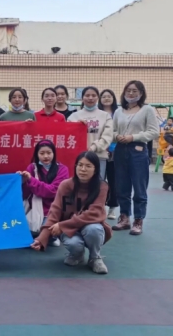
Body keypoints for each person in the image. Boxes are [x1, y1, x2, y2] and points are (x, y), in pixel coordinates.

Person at [30, 151, 112, 275]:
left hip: (88, 225)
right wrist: (42, 239)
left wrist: (62, 225)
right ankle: (77, 255)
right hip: (69, 230)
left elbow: (93, 213)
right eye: (80, 165)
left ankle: (95, 258)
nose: (83, 169)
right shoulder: (66, 185)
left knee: (94, 229)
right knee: (74, 244)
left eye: (88, 166)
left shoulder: (102, 186)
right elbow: (55, 211)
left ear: (95, 169)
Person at [112, 80, 159, 235]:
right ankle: (124, 217)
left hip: (138, 150)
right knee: (122, 186)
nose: (131, 93)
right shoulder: (119, 111)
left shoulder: (147, 110)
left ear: (141, 93)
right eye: (128, 90)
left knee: (139, 187)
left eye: (134, 91)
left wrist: (133, 137)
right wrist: (116, 136)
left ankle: (138, 220)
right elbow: (112, 130)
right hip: (120, 150)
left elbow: (154, 132)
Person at [18, 140, 69, 245]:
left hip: (54, 210)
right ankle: (46, 237)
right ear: (37, 154)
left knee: (47, 230)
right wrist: (22, 181)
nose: (46, 156)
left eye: (49, 153)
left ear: (54, 153)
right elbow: (25, 194)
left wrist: (31, 180)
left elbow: (52, 191)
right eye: (42, 153)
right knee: (24, 231)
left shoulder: (63, 169)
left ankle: (52, 236)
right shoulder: (32, 168)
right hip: (34, 209)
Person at [68, 86, 113, 180]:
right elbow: (68, 136)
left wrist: (94, 147)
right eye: (87, 95)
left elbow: (107, 137)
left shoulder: (105, 116)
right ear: (82, 98)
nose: (90, 98)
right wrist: (76, 126)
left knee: (98, 184)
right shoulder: (74, 117)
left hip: (99, 157)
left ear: (97, 98)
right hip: (79, 158)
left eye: (93, 95)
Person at [98, 89, 119, 220]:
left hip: (114, 152)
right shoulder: (97, 114)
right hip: (99, 151)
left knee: (113, 180)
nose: (106, 98)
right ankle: (99, 207)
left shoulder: (118, 113)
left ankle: (112, 208)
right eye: (104, 96)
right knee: (99, 180)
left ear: (113, 98)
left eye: (109, 96)